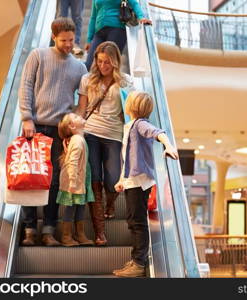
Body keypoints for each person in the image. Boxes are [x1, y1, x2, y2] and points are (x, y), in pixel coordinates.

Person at [19, 17, 88, 247]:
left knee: (55, 181)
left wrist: (75, 120)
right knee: (30, 177)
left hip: (61, 132)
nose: (69, 44)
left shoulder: (79, 67)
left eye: (72, 40)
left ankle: (48, 230)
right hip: (35, 126)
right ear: (53, 37)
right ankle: (29, 229)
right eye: (64, 40)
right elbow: (26, 85)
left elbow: (84, 99)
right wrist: (27, 117)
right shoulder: (38, 55)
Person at [112, 91, 178, 277]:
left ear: (133, 106)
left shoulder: (140, 124)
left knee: (138, 222)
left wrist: (168, 145)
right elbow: (127, 157)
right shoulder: (130, 125)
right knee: (133, 221)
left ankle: (139, 264)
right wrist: (121, 180)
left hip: (139, 182)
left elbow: (157, 133)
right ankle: (136, 260)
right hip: (131, 180)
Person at [77, 41, 133, 246]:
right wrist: (76, 132)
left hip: (114, 135)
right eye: (100, 61)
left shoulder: (126, 82)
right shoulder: (87, 79)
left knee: (113, 181)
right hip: (90, 132)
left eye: (107, 62)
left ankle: (111, 205)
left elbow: (130, 111)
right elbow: (81, 109)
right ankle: (100, 233)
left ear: (115, 61)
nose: (103, 66)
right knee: (95, 182)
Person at [56, 113, 94, 247]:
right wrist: (72, 182)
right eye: (76, 117)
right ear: (72, 126)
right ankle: (66, 236)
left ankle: (80, 234)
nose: (80, 116)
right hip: (74, 182)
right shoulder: (77, 140)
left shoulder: (79, 138)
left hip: (80, 180)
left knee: (80, 207)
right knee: (71, 208)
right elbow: (72, 162)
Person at [85, 0, 152, 71]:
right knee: (89, 64)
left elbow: (134, 3)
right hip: (99, 32)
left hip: (117, 29)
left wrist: (141, 17)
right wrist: (89, 39)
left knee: (109, 63)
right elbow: (93, 17)